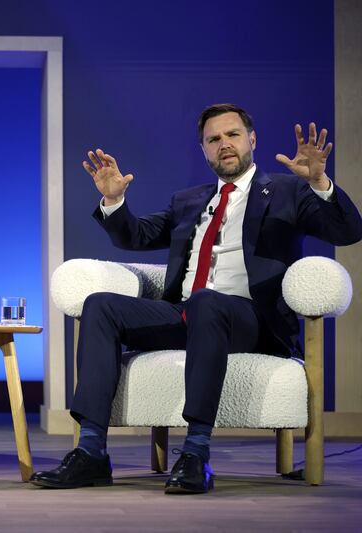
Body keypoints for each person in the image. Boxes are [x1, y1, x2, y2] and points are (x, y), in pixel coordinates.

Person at [30, 103, 362, 494]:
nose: (224, 144)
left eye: (233, 135)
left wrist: (320, 184)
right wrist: (114, 202)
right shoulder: (188, 200)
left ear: (251, 140)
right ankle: (90, 454)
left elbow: (348, 232)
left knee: (207, 301)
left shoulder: (288, 192)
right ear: (204, 149)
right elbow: (135, 236)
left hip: (251, 321)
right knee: (100, 304)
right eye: (213, 139)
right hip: (188, 315)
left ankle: (196, 453)